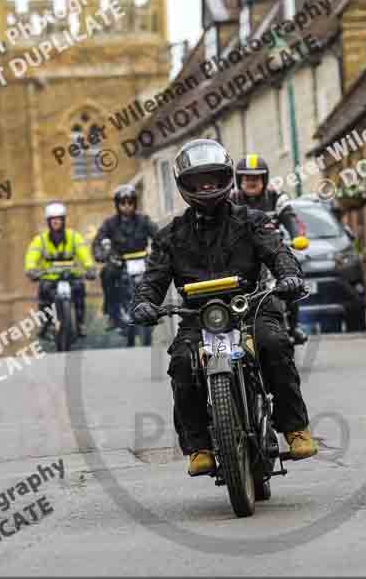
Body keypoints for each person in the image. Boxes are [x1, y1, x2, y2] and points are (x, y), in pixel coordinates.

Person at [132, 139, 318, 476]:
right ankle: (199, 446)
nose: (206, 187)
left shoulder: (253, 220)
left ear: (225, 179)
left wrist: (289, 276)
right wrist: (144, 302)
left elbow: (278, 253)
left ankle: (295, 428)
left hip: (252, 305)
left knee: (274, 344)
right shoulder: (170, 236)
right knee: (181, 364)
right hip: (197, 315)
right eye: (198, 182)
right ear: (184, 186)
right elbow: (154, 278)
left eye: (212, 180)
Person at [231, 155, 307, 345]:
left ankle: (294, 325)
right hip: (241, 258)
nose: (251, 182)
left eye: (256, 178)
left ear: (264, 179)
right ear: (239, 180)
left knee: (291, 279)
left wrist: (297, 236)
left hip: (272, 254)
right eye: (247, 178)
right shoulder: (230, 200)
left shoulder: (276, 197)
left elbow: (290, 218)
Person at [24, 202, 96, 337]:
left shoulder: (74, 237)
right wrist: (31, 270)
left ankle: (80, 324)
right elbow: (31, 255)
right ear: (48, 221)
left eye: (58, 218)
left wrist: (90, 268)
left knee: (80, 289)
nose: (56, 221)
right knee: (43, 292)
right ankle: (46, 324)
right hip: (49, 278)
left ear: (63, 220)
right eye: (52, 219)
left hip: (71, 276)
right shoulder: (40, 240)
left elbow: (84, 253)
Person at [92, 184, 158, 330]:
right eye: (123, 203)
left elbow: (158, 236)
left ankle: (157, 308)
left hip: (142, 260)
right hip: (119, 263)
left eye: (130, 202)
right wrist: (101, 254)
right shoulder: (109, 223)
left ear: (135, 203)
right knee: (106, 273)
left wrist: (161, 250)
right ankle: (111, 313)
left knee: (159, 273)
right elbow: (98, 242)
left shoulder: (144, 220)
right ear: (117, 205)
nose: (127, 206)